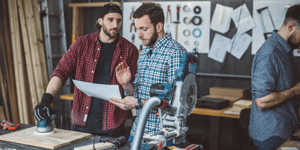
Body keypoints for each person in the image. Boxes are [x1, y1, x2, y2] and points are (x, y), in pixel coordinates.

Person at [33, 4, 139, 137]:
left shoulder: (129, 49)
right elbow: (61, 71)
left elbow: (135, 91)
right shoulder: (81, 44)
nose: (115, 25)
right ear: (100, 21)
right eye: (110, 20)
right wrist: (47, 98)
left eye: (119, 21)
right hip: (81, 122)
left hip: (112, 125)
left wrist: (125, 84)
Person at [109, 3, 187, 143]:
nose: (139, 34)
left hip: (162, 136)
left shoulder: (175, 53)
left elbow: (175, 104)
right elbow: (138, 92)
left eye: (144, 29)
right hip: (138, 131)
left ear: (158, 27)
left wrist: (137, 103)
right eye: (137, 29)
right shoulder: (145, 52)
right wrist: (126, 84)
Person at [249, 5, 300, 150]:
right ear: (291, 26)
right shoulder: (270, 53)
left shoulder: (285, 49)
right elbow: (262, 101)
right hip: (271, 136)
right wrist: (296, 90)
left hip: (284, 128)